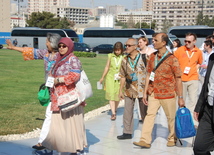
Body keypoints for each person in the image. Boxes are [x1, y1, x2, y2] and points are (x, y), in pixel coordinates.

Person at [6, 33, 61, 151]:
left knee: (54, 117)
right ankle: (45, 141)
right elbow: (31, 51)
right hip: (51, 90)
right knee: (51, 116)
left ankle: (47, 142)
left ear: (53, 43)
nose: (45, 43)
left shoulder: (62, 56)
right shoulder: (46, 54)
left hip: (61, 91)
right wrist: (13, 47)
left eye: (47, 41)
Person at [133, 33, 185, 148]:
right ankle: (145, 140)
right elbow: (148, 75)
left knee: (170, 117)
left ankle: (172, 137)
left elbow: (178, 78)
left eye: (156, 40)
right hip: (154, 92)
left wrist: (180, 97)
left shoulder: (172, 59)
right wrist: (145, 92)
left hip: (168, 93)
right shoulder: (152, 57)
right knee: (149, 115)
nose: (153, 42)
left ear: (164, 43)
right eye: (153, 40)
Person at [42, 37, 87, 154]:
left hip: (69, 97)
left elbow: (75, 75)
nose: (61, 48)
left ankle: (72, 148)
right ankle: (57, 147)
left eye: (64, 46)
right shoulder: (58, 58)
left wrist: (60, 79)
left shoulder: (73, 59)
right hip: (57, 97)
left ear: (70, 47)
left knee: (70, 124)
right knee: (57, 125)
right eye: (60, 46)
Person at [117, 38, 147, 140]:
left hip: (142, 89)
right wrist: (120, 90)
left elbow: (150, 73)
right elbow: (122, 76)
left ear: (135, 46)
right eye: (126, 45)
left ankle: (147, 132)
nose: (126, 47)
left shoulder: (144, 57)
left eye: (129, 45)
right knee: (127, 111)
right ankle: (127, 132)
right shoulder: (125, 60)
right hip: (129, 89)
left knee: (145, 112)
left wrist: (150, 88)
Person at [174, 32, 203, 124]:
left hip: (193, 79)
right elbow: (173, 62)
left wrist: (196, 68)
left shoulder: (198, 52)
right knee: (180, 101)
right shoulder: (179, 50)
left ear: (194, 41)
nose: (186, 43)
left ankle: (191, 122)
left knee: (193, 101)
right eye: (185, 41)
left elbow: (200, 62)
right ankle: (180, 121)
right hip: (181, 80)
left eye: (189, 41)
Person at [193, 52, 214, 155]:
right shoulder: (212, 58)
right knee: (200, 148)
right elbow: (206, 84)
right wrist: (198, 107)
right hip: (208, 109)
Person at [99, 42, 125, 120]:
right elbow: (107, 67)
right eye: (116, 50)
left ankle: (115, 109)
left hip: (119, 78)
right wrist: (102, 77)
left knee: (117, 95)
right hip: (110, 77)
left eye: (119, 50)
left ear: (121, 50)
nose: (117, 52)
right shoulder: (110, 56)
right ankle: (113, 113)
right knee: (111, 96)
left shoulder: (124, 57)